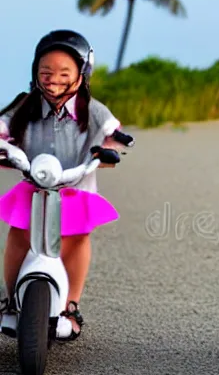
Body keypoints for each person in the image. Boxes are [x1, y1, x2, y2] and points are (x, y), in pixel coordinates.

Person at [0, 29, 129, 341]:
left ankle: (70, 306)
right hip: (34, 186)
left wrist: (113, 148)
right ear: (35, 73)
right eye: (45, 72)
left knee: (76, 240)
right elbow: (2, 125)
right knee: (19, 235)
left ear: (82, 75)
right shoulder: (25, 105)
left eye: (63, 73)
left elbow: (116, 134)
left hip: (76, 187)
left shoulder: (92, 110)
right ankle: (10, 302)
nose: (53, 79)